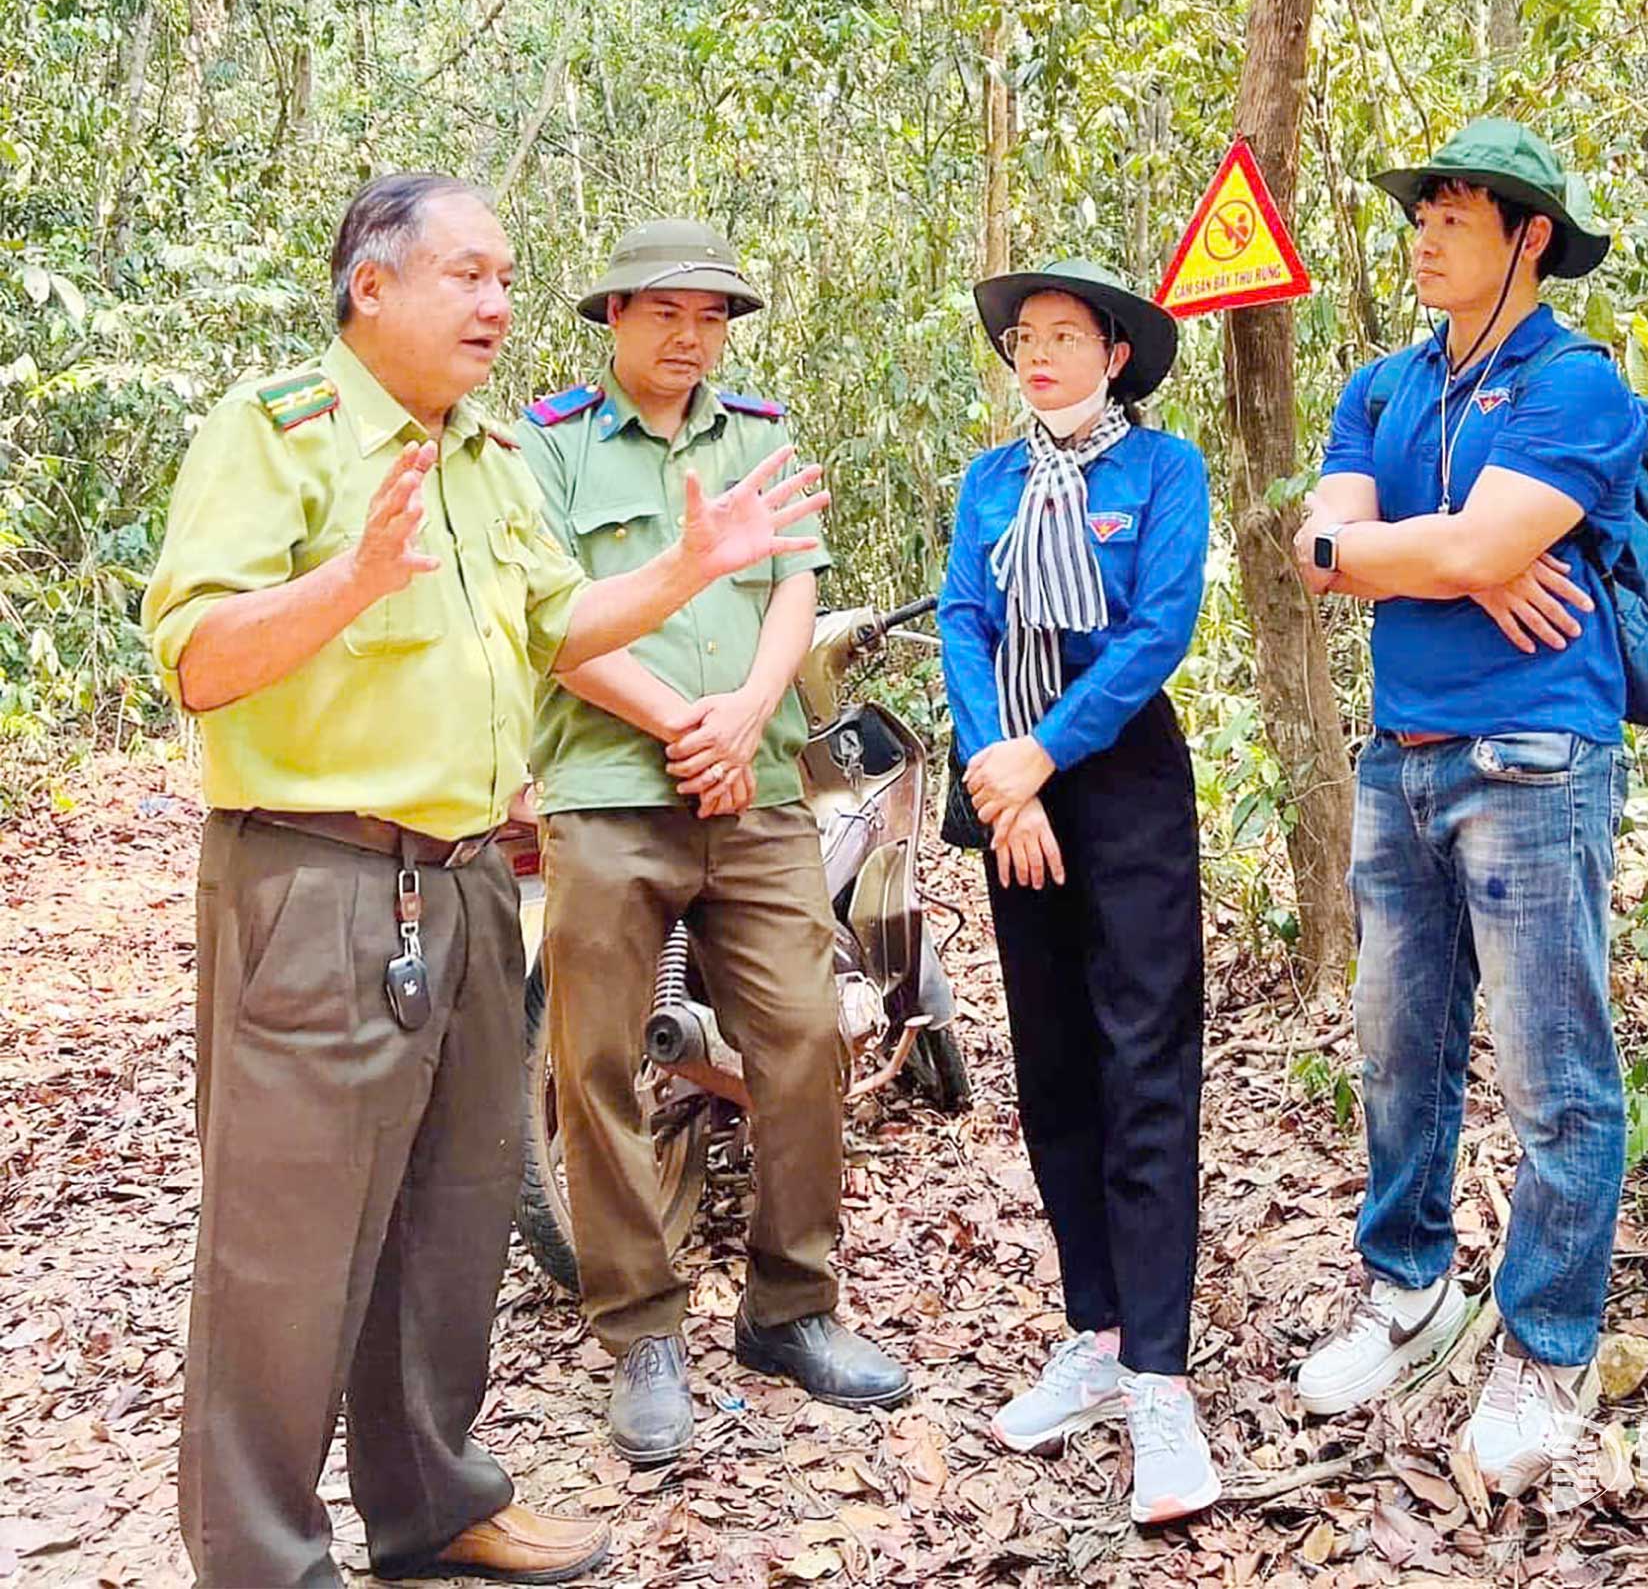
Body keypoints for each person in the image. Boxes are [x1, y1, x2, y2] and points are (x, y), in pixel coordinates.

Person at [141, 174, 825, 1589]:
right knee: (287, 1238)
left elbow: (557, 620)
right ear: (371, 285)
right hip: (313, 873)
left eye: (507, 277)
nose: (500, 304)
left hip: (460, 881)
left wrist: (692, 564)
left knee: (450, 1213)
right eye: (468, 275)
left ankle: (433, 1503)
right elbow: (199, 660)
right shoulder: (277, 435)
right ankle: (263, 1559)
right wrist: (348, 577)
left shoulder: (487, 451)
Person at [1288, 118, 1647, 1497]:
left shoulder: (1576, 381)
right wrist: (1445, 558)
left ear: (1529, 237)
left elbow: (1446, 542)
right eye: (1421, 211)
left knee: (1554, 1070)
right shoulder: (1383, 385)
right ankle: (1409, 1290)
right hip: (1403, 756)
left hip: (1535, 762)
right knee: (1397, 1045)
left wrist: (1435, 552)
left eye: (1457, 215)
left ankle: (1547, 1341)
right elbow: (1315, 548)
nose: (1426, 234)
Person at [514, 218, 909, 1468]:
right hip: (605, 789)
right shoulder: (550, 447)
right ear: (615, 316)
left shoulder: (758, 433)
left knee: (800, 1035)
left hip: (757, 791)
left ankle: (790, 1309)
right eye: (667, 315)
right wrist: (684, 720)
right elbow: (551, 619)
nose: (692, 339)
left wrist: (743, 716)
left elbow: (794, 583)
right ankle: (640, 1333)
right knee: (593, 1065)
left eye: (713, 319)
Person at [938, 258, 1216, 1528]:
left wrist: (1047, 754)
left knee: (1142, 1062)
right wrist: (1005, 777)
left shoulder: (1161, 472)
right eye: (1021, 339)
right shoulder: (989, 482)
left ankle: (1160, 1380)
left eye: (1062, 336)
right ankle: (1094, 1335)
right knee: (1051, 1064)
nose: (1036, 354)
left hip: (1120, 782)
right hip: (1012, 788)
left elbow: (1158, 630)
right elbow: (964, 621)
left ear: (1114, 355)